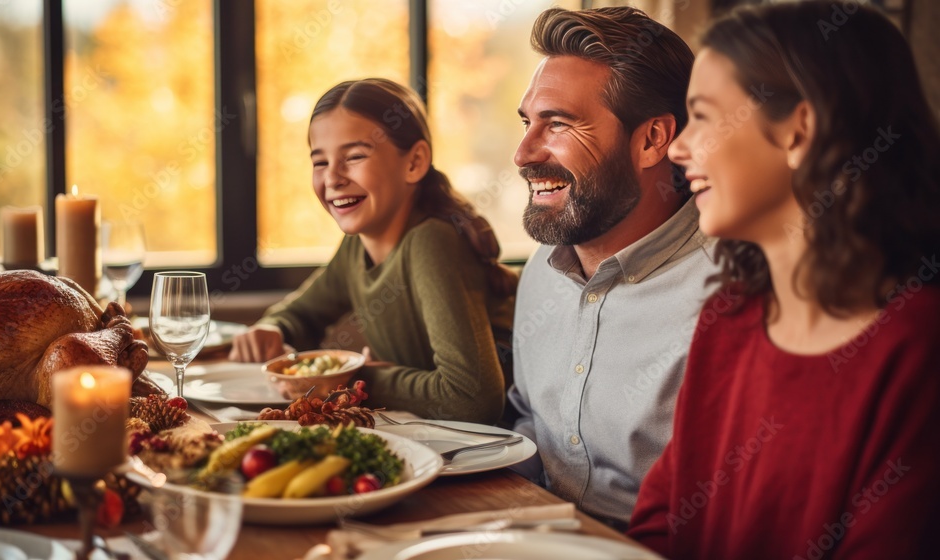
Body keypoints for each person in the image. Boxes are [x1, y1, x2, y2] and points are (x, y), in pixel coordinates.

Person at [627, 2, 940, 558]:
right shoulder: (729, 316)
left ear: (799, 130)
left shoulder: (917, 346)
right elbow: (660, 520)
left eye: (702, 115)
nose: (677, 148)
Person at [507, 7, 717, 529]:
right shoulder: (541, 270)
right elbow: (526, 426)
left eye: (557, 124)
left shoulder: (730, 288)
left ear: (652, 141)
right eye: (528, 122)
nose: (523, 153)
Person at [230, 78, 516, 425]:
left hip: (497, 457)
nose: (333, 178)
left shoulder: (432, 242)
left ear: (414, 162)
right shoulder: (357, 246)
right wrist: (273, 330)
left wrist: (357, 379)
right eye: (320, 162)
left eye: (354, 156)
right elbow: (302, 313)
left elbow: (473, 399)